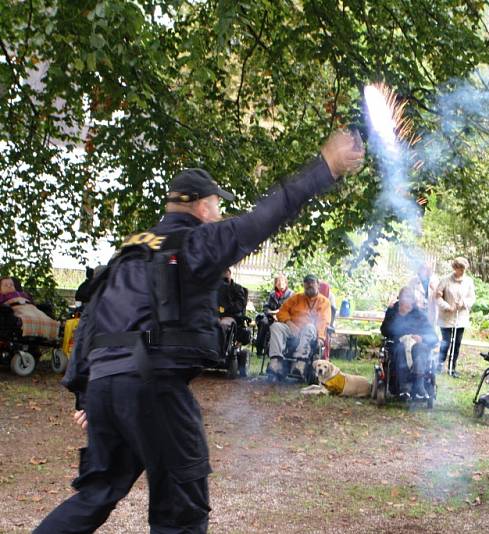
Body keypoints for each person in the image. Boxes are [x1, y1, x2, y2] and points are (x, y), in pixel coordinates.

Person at [37, 130, 364, 533]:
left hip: (105, 385)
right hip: (152, 385)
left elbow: (91, 320)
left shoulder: (129, 252)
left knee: (96, 493)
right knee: (183, 512)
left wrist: (87, 392)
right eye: (214, 204)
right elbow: (261, 220)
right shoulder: (193, 242)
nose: (218, 212)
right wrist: (325, 169)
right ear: (197, 206)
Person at [266, 274, 331, 381]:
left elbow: (324, 321)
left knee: (309, 326)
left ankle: (300, 363)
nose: (309, 285)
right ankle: (276, 362)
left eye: (312, 283)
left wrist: (321, 338)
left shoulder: (324, 302)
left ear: (318, 285)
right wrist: (289, 323)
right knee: (276, 326)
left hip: (311, 333)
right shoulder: (296, 298)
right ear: (304, 285)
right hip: (293, 330)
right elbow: (281, 312)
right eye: (307, 283)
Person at [380, 287, 438, 400]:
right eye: (403, 298)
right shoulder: (392, 311)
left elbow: (433, 337)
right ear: (399, 299)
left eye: (409, 298)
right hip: (398, 344)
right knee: (400, 349)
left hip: (417, 344)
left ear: (413, 300)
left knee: (420, 348)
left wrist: (422, 338)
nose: (406, 301)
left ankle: (419, 386)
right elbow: (384, 330)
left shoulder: (420, 315)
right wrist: (400, 333)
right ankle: (403, 387)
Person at [435, 256, 475, 378]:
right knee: (445, 342)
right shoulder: (445, 280)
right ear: (454, 268)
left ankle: (452, 368)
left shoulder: (468, 281)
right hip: (446, 317)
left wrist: (464, 303)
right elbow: (438, 297)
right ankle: (439, 365)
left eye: (463, 269)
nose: (462, 271)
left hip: (460, 317)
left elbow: (472, 298)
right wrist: (448, 306)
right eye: (459, 268)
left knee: (457, 343)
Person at [0, 276, 59, 340]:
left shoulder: (23, 294)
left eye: (11, 284)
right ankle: (21, 323)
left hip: (30, 308)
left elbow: (32, 303)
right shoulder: (1, 295)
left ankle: (54, 325)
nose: (9, 286)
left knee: (45, 311)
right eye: (6, 285)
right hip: (16, 308)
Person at [255, 274, 293, 357]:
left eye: (282, 282)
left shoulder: (291, 295)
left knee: (278, 326)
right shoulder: (272, 294)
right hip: (271, 317)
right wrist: (272, 314)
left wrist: (278, 315)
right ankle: (259, 349)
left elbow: (290, 310)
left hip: (284, 319)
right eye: (278, 283)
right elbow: (266, 307)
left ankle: (276, 350)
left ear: (286, 283)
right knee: (263, 322)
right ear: (275, 284)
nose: (280, 285)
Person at [407, 261, 439, 327]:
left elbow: (439, 296)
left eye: (429, 269)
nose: (427, 271)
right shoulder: (413, 281)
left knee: (429, 331)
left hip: (430, 311)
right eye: (424, 269)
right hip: (417, 310)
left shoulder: (435, 280)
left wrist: (434, 289)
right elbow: (408, 295)